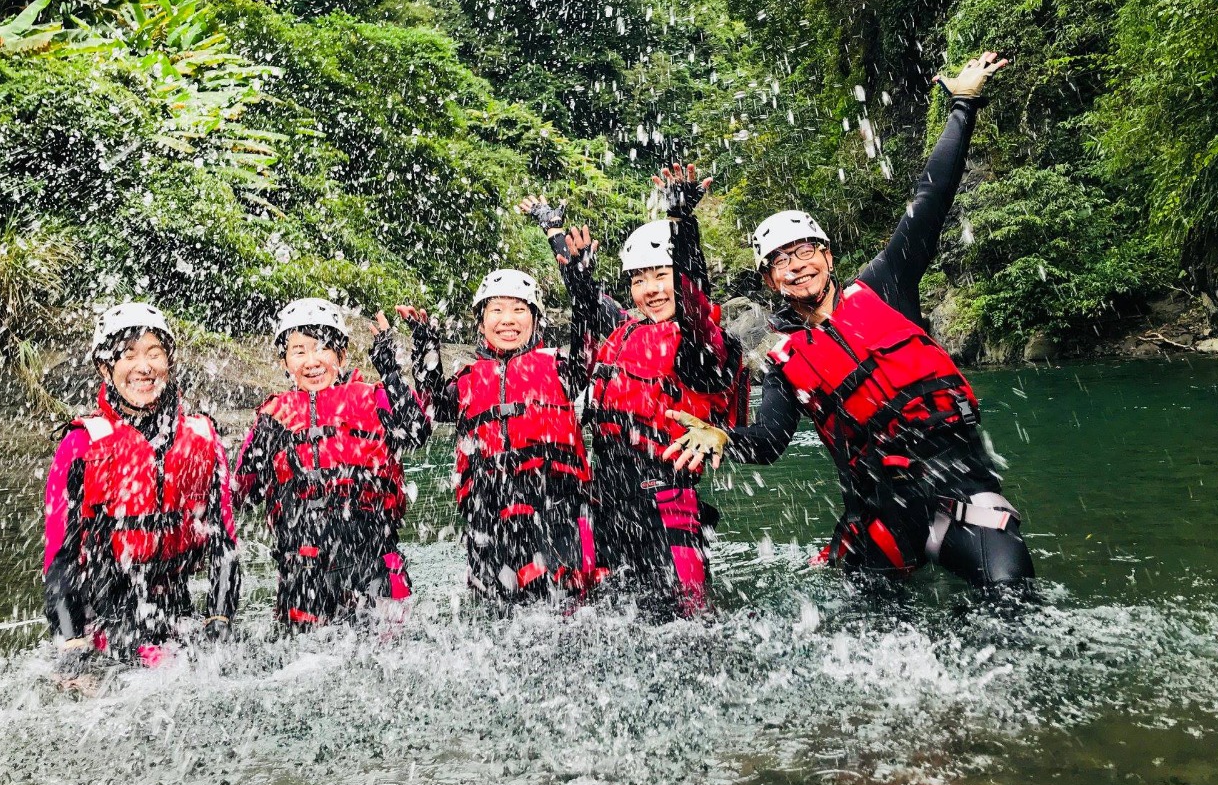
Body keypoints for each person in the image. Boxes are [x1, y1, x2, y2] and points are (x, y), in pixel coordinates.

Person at [664, 52, 1035, 588]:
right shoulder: (784, 363)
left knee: (1011, 589)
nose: (797, 265)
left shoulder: (885, 286)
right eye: (781, 262)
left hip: (958, 488)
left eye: (806, 251)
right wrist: (725, 437)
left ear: (829, 257)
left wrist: (962, 104)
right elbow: (768, 441)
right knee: (876, 619)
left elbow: (931, 200)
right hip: (880, 514)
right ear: (770, 282)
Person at [522, 166, 748, 616]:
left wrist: (683, 225)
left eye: (660, 275)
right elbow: (585, 299)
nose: (650, 290)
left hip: (666, 511)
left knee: (685, 628)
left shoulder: (697, 344)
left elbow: (694, 300)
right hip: (607, 507)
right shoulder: (625, 331)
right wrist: (553, 232)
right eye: (639, 279)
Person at [42, 302, 239, 667]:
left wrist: (219, 621)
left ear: (169, 361)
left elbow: (224, 546)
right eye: (128, 355)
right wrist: (71, 645)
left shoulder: (201, 436)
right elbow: (60, 561)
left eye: (154, 353)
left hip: (180, 615)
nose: (144, 367)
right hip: (105, 620)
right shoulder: (80, 446)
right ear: (106, 367)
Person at [397, 268, 598, 603]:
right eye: (497, 310)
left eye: (519, 310)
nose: (508, 320)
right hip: (488, 511)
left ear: (536, 320)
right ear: (481, 322)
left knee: (563, 606)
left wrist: (581, 283)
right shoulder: (466, 380)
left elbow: (586, 341)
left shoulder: (562, 368)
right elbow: (432, 404)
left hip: (553, 504)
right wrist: (425, 344)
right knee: (495, 609)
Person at [233, 299, 430, 627]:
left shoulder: (375, 397)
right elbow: (240, 495)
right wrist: (258, 453)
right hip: (304, 569)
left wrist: (391, 371)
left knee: (391, 647)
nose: (311, 361)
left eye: (322, 348)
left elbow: (417, 431)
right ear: (284, 361)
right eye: (298, 351)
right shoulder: (273, 417)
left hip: (374, 558)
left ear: (341, 355)